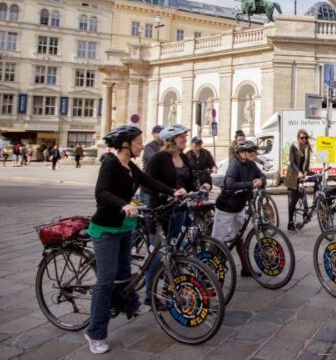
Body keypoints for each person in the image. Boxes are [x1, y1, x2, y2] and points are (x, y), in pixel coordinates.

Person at [86, 125, 185, 355]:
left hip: (124, 226)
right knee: (106, 281)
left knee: (125, 273)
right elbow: (101, 193)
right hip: (106, 228)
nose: (142, 146)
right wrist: (122, 204)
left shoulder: (130, 166)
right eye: (138, 143)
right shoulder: (110, 163)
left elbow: (149, 182)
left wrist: (173, 191)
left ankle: (130, 304)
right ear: (125, 145)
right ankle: (95, 333)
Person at [143, 124, 205, 304]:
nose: (185, 140)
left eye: (185, 137)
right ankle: (149, 294)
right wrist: (169, 192)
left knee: (173, 251)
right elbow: (147, 183)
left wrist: (200, 187)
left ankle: (168, 288)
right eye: (181, 137)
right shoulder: (158, 158)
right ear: (171, 140)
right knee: (158, 253)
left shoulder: (184, 158)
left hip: (178, 210)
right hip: (160, 212)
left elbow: (189, 182)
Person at [212, 140, 265, 277]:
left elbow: (261, 175)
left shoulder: (251, 164)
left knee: (239, 237)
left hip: (239, 206)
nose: (253, 153)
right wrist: (250, 184)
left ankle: (246, 268)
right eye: (250, 151)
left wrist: (260, 181)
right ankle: (208, 268)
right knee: (217, 240)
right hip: (226, 207)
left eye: (254, 151)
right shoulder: (234, 165)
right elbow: (229, 184)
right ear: (241, 153)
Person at [283, 129, 312, 232]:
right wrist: (298, 172)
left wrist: (305, 171)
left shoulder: (307, 148)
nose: (303, 140)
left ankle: (307, 212)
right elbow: (292, 162)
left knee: (317, 180)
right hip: (293, 175)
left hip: (301, 174)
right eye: (301, 138)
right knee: (294, 199)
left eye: (305, 138)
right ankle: (290, 223)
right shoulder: (293, 147)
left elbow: (306, 162)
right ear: (298, 138)